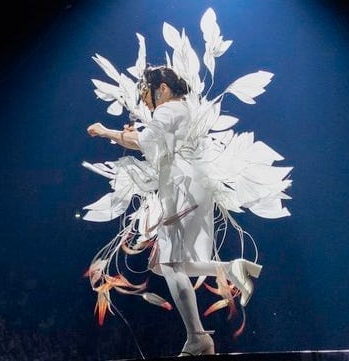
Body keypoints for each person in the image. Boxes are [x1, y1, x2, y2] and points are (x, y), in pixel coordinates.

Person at [85, 65, 265, 356]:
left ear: (163, 89)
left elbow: (143, 141)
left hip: (182, 186)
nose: (144, 101)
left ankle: (198, 338)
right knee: (165, 264)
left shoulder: (167, 110)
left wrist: (107, 132)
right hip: (190, 184)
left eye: (146, 93)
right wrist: (135, 136)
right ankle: (230, 269)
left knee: (170, 265)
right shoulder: (181, 110)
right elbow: (153, 143)